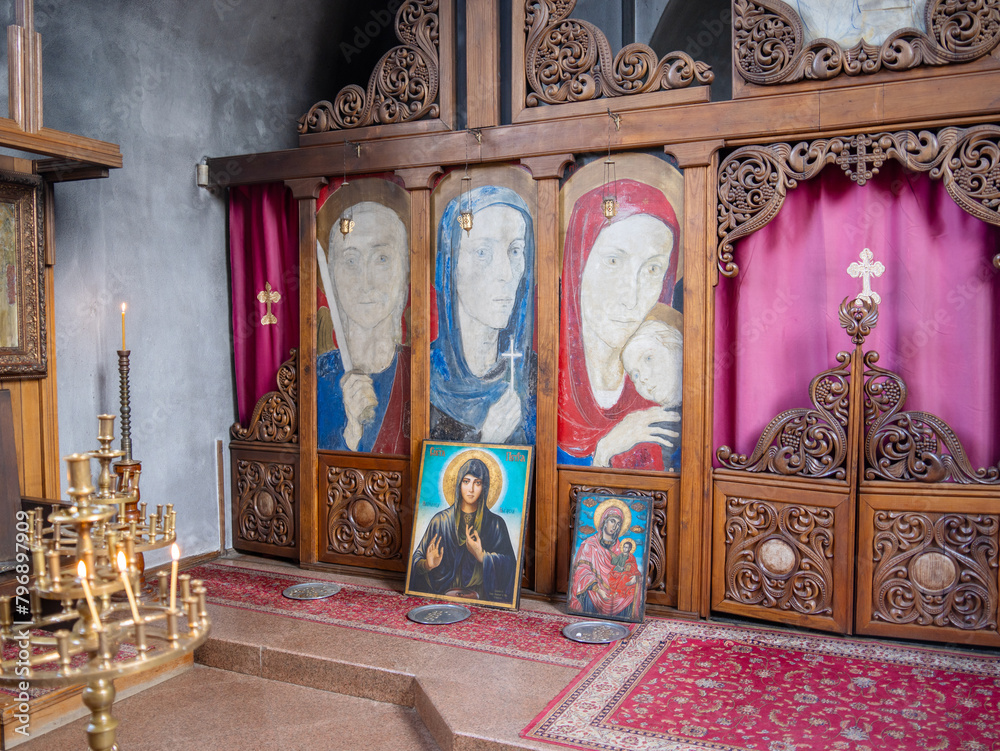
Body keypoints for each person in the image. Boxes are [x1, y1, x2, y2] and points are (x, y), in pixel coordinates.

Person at [558, 178, 681, 470]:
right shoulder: (545, 376)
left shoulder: (663, 380)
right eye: (613, 261)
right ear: (579, 264)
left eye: (653, 269)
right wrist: (605, 451)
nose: (632, 296)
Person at [430, 185, 536, 444]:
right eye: (482, 253)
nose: (507, 274)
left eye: (514, 251)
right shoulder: (427, 374)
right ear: (450, 268)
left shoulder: (532, 372)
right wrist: (487, 437)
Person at [317, 201, 410, 453]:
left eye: (381, 259)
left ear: (404, 273)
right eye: (350, 260)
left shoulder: (419, 371)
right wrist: (352, 432)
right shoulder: (316, 378)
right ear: (332, 275)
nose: (365, 281)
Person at [409, 456, 518, 603]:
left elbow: (510, 565)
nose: (471, 489)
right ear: (458, 485)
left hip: (481, 596)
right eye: (466, 481)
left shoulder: (496, 524)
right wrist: (428, 565)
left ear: (484, 487)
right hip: (442, 593)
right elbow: (416, 560)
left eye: (477, 483)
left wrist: (482, 556)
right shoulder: (440, 521)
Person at [621, 312, 683, 470]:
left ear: (676, 348)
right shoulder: (649, 426)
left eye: (648, 358)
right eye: (635, 374)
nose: (642, 378)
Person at [569, 505, 643, 619]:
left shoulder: (622, 548)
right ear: (604, 521)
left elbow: (631, 567)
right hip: (595, 591)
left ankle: (625, 620)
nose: (615, 526)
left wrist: (635, 577)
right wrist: (598, 589)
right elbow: (580, 572)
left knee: (632, 590)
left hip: (617, 588)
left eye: (618, 524)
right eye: (612, 521)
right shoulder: (589, 545)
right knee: (591, 593)